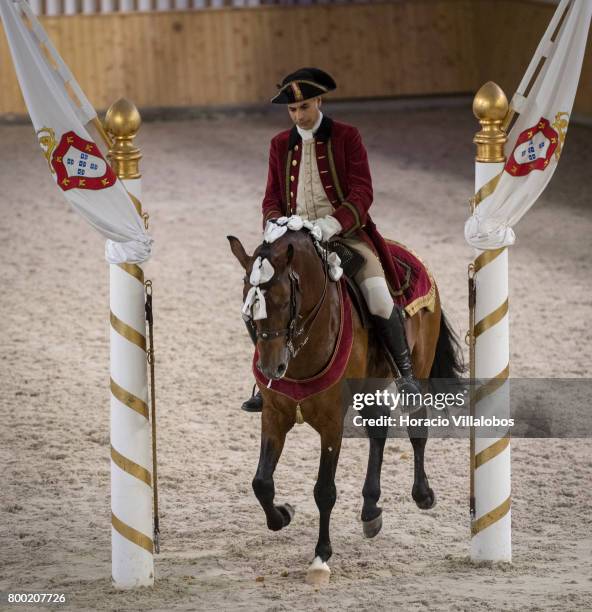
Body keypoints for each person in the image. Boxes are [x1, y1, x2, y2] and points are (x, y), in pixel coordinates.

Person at [242, 67, 421, 412]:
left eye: (305, 107)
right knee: (261, 297)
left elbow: (362, 192)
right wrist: (274, 223)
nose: (299, 115)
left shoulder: (346, 137)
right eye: (293, 110)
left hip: (343, 236)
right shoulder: (279, 144)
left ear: (319, 101)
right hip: (293, 240)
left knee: (380, 298)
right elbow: (271, 197)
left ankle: (406, 376)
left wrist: (332, 223)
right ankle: (263, 380)